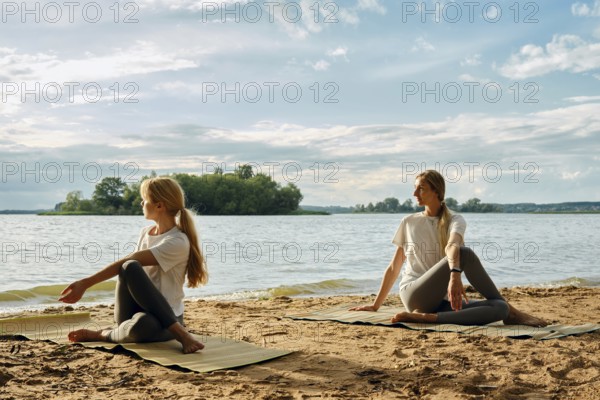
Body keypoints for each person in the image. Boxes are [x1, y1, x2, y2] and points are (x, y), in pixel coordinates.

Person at [350, 170, 547, 327]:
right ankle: (514, 313)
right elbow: (394, 267)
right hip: (414, 294)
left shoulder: (455, 219)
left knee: (500, 307)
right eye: (415, 188)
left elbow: (453, 244)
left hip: (440, 301)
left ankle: (430, 318)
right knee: (465, 253)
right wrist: (375, 305)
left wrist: (454, 275)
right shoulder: (408, 222)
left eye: (421, 189)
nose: (414, 194)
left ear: (437, 191)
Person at [59, 177, 208, 353]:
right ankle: (112, 332)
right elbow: (130, 267)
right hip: (131, 311)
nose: (141, 203)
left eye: (144, 200)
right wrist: (84, 284)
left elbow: (132, 259)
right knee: (129, 268)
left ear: (159, 206)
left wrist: (86, 283)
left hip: (166, 317)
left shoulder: (177, 241)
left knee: (143, 322)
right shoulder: (145, 233)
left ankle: (105, 334)